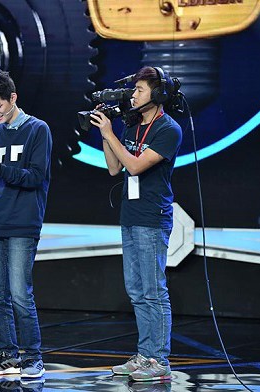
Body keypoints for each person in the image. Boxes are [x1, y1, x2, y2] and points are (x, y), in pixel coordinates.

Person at [90, 66, 182, 381]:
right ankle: (145, 355)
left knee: (153, 290)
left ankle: (159, 360)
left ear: (157, 95)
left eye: (140, 90)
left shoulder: (168, 129)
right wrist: (108, 134)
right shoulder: (132, 127)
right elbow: (115, 168)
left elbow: (135, 165)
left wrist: (109, 133)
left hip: (151, 218)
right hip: (130, 215)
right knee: (136, 289)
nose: (133, 94)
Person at [0, 68, 52, 378]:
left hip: (23, 222)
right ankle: (9, 354)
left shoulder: (38, 130)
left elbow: (34, 177)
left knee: (21, 293)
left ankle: (33, 357)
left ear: (13, 98)